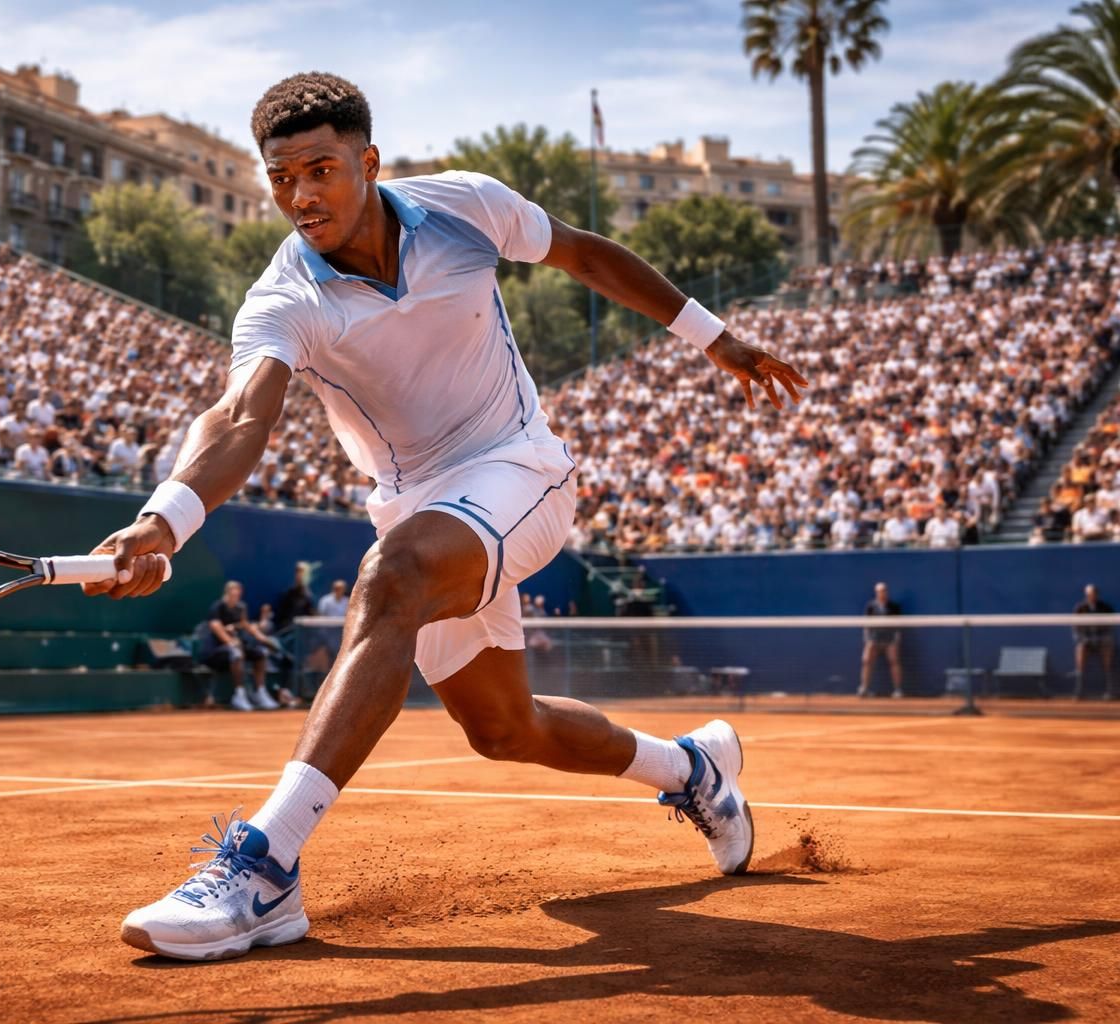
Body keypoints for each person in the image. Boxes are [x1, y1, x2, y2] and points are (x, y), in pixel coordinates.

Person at [81, 73, 806, 960]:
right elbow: (240, 417)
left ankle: (265, 867)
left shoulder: (466, 206)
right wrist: (164, 519)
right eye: (281, 178)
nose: (300, 196)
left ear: (368, 162)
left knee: (394, 574)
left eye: (320, 169)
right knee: (504, 729)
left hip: (522, 468)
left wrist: (714, 336)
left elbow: (585, 256)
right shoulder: (283, 298)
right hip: (417, 505)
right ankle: (692, 769)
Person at [199, 580, 280, 711]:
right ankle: (239, 694)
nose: (235, 596)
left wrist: (262, 638)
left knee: (260, 654)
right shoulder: (217, 607)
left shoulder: (241, 607)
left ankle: (260, 692)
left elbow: (245, 624)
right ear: (227, 593)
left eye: (238, 594)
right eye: (233, 593)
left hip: (237, 647)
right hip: (215, 651)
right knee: (236, 652)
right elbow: (215, 626)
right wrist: (230, 642)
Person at [860, 581, 904, 699]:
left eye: (884, 591)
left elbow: (899, 624)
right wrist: (868, 639)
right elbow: (866, 624)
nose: (882, 593)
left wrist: (896, 639)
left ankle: (898, 690)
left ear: (887, 592)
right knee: (866, 661)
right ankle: (864, 689)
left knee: (894, 661)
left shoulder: (894, 606)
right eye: (879, 591)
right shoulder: (871, 606)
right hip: (874, 639)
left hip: (889, 640)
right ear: (876, 592)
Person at [1072, 583, 1115, 701]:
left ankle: (1110, 691)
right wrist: (1083, 639)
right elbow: (1075, 628)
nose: (1091, 596)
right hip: (1086, 642)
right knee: (1080, 650)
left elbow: (1110, 627)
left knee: (1107, 652)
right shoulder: (1080, 608)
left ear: (1097, 594)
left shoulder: (1105, 608)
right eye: (1088, 594)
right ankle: (1079, 692)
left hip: (1102, 641)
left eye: (1093, 594)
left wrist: (1103, 638)